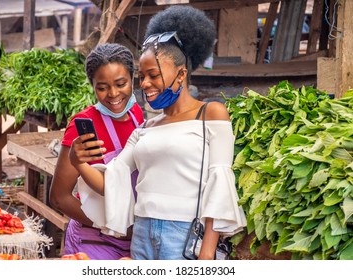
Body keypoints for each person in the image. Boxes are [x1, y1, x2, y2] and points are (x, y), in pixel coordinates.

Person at [69, 5, 246, 260]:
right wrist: (78, 163)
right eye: (141, 77)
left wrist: (207, 253)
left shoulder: (211, 113)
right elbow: (112, 183)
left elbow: (219, 182)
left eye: (153, 75)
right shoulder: (144, 128)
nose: (145, 85)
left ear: (181, 74)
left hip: (184, 236)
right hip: (141, 236)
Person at [49, 43, 145, 260]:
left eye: (121, 84)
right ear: (92, 86)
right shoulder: (82, 125)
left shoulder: (136, 115)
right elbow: (59, 198)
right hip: (94, 241)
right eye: (102, 87)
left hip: (134, 240)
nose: (113, 94)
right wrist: (109, 225)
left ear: (133, 78)